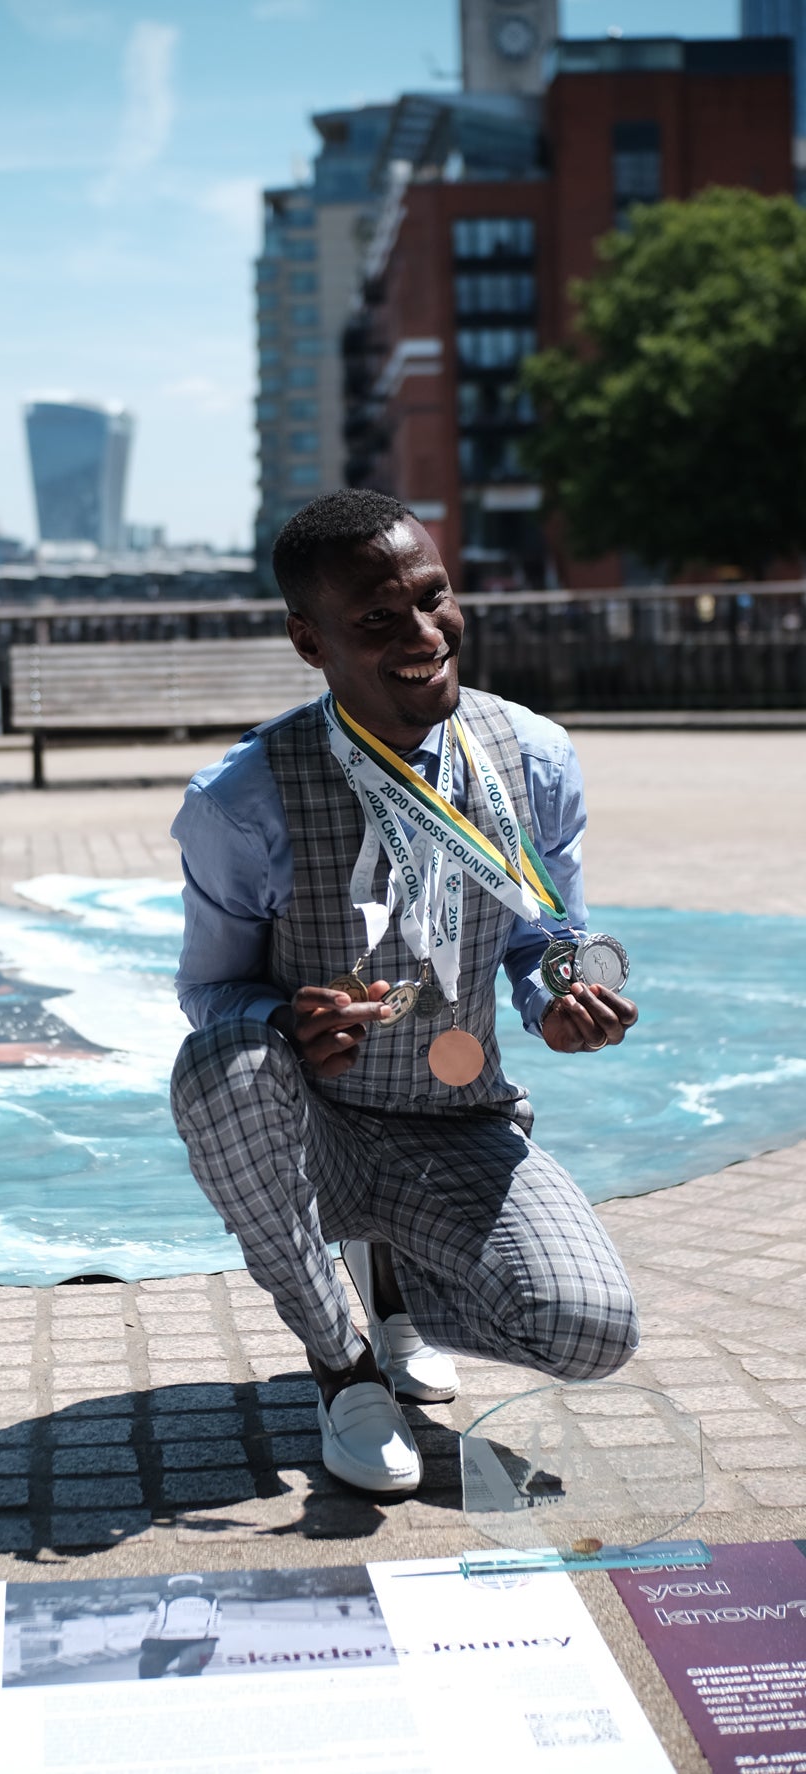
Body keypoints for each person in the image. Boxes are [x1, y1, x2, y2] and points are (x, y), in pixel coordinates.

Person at [170, 489, 639, 1496]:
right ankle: (343, 1370)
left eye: (433, 598)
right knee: (224, 1063)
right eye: (377, 619)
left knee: (590, 1331)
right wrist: (282, 1024)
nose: (424, 634)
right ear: (310, 639)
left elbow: (550, 933)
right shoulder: (240, 800)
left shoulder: (534, 757)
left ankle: (402, 1292)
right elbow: (210, 989)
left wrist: (564, 991)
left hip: (455, 1116)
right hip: (315, 1126)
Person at [138, 1575, 221, 1678]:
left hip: (198, 1640)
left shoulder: (210, 1599)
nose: (183, 1586)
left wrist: (210, 1637)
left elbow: (213, 1622)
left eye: (188, 1584)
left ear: (197, 1586)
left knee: (189, 1670)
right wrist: (149, 1638)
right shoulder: (163, 1601)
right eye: (179, 1584)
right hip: (165, 1642)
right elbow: (155, 1621)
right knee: (147, 1664)